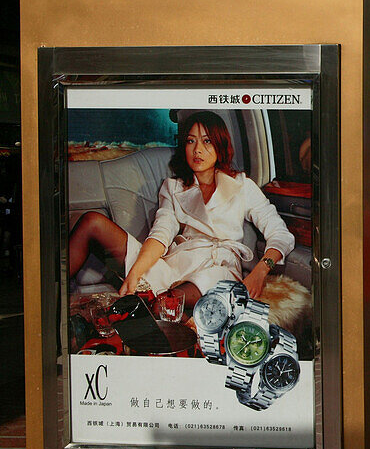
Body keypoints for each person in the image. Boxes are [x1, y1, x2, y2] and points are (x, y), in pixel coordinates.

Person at [67, 111, 294, 308]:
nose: (197, 150)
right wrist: (135, 273)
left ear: (220, 145)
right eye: (190, 141)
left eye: (207, 141)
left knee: (167, 306)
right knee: (92, 222)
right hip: (174, 263)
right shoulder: (173, 187)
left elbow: (280, 235)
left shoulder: (242, 185)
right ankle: (50, 292)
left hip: (216, 271)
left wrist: (260, 271)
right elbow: (161, 234)